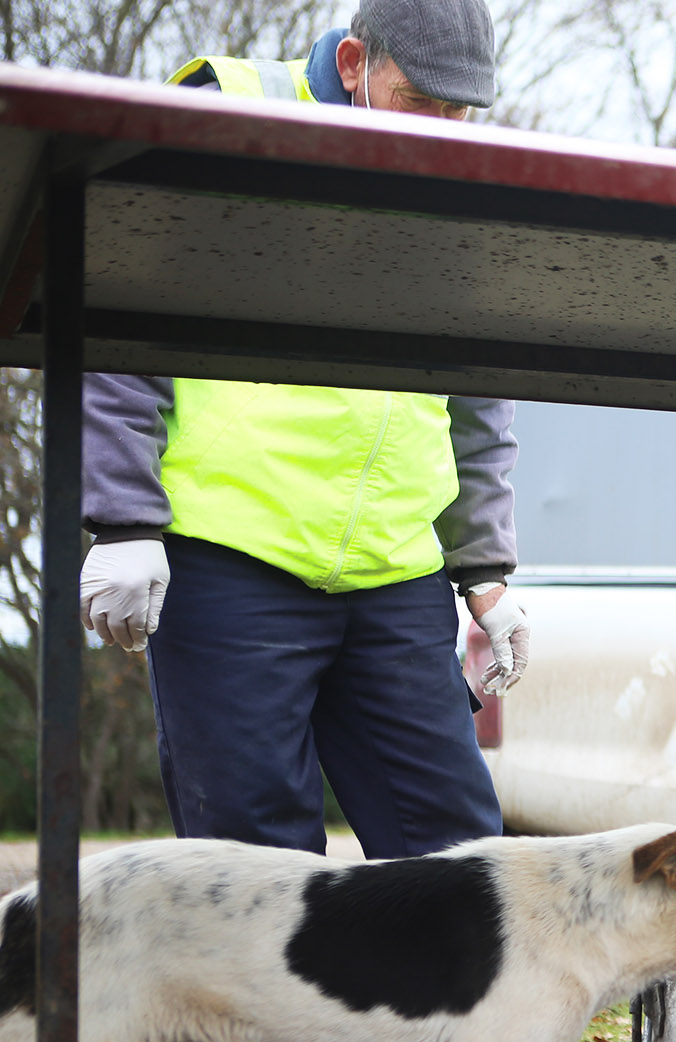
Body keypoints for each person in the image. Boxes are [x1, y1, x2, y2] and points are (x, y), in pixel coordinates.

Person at [77, 0, 528, 874]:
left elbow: (476, 390)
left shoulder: (463, 183)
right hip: (232, 562)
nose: (442, 131)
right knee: (256, 872)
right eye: (420, 103)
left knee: (462, 861)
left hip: (397, 573)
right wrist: (123, 517)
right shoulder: (227, 118)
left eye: (459, 111)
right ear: (356, 62)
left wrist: (485, 571)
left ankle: (434, 1017)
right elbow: (119, 303)